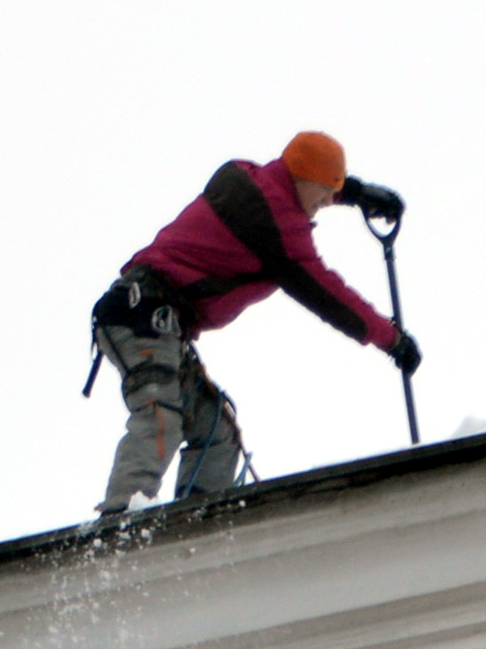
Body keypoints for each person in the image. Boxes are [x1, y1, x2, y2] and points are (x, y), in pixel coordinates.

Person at [92, 132, 416, 517]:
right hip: (141, 311)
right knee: (160, 411)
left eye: (336, 191)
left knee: (217, 433)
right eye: (327, 190)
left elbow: (296, 190)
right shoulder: (277, 228)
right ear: (305, 178)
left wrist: (356, 193)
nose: (328, 201)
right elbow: (329, 297)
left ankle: (197, 523)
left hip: (163, 321)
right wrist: (391, 338)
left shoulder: (261, 185)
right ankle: (119, 521)